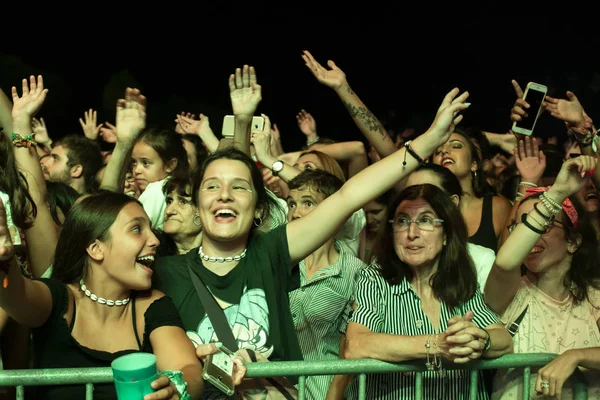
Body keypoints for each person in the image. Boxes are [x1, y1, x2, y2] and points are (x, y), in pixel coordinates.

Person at [153, 86, 473, 396]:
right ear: (196, 203)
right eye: (211, 187)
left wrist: (429, 140)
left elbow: (349, 195)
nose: (224, 194)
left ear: (259, 207)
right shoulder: (164, 272)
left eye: (239, 187)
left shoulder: (270, 253)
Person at [0, 192, 204, 400]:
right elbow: (17, 295)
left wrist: (177, 387)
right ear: (96, 248)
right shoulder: (60, 300)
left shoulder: (152, 305)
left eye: (150, 229)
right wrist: (4, 258)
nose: (154, 240)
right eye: (136, 229)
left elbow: (187, 367)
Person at [338, 184, 512, 399]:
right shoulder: (375, 279)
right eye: (402, 221)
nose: (412, 233)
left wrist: (480, 340)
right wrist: (437, 345)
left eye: (425, 220)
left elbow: (503, 339)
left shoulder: (459, 279)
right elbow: (356, 345)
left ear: (446, 234)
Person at [485, 156, 600, 400]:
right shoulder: (509, 292)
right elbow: (505, 262)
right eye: (523, 228)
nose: (531, 237)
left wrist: (576, 355)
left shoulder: (594, 298)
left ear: (573, 241)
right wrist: (556, 193)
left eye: (543, 224)